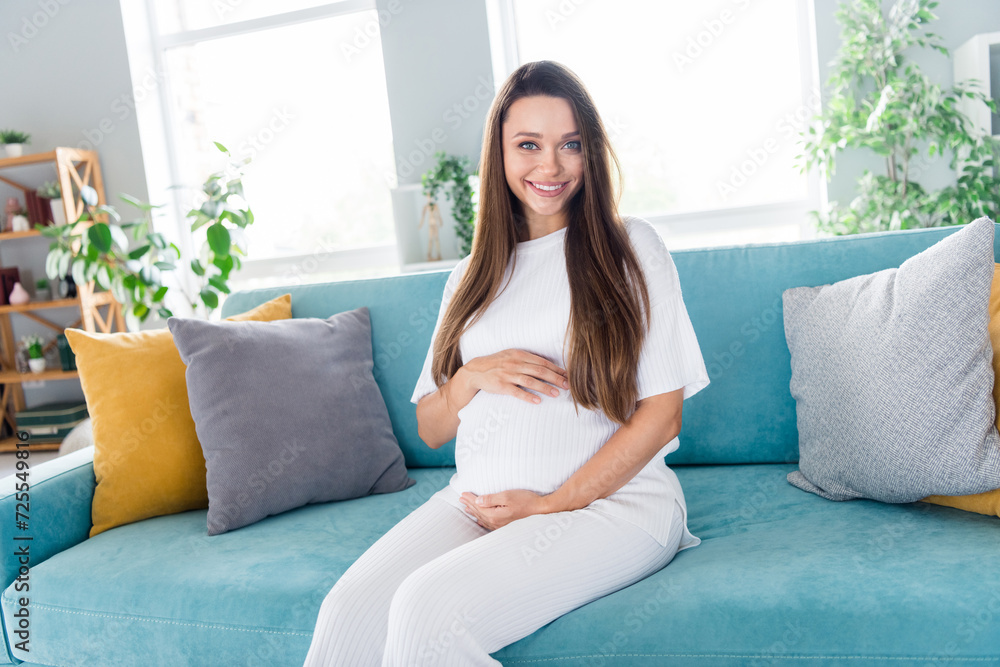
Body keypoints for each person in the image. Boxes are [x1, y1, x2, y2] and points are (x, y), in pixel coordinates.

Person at [303, 60, 710, 667]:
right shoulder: (469, 277)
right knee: (347, 612)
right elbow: (431, 426)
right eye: (528, 145)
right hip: (478, 504)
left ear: (590, 153)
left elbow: (663, 416)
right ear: (499, 155)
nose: (550, 166)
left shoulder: (632, 249)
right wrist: (471, 376)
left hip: (616, 508)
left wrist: (547, 507)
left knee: (426, 608)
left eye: (569, 145)